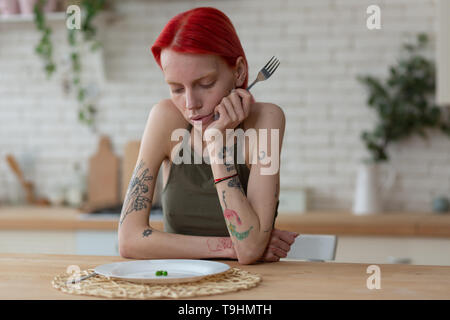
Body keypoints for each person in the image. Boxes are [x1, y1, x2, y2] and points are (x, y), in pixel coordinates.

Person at [118, 7, 298, 264]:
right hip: (177, 283)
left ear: (238, 71)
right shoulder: (165, 118)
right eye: (177, 88)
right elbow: (129, 240)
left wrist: (217, 148)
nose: (191, 104)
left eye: (205, 84)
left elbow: (248, 253)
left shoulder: (266, 121)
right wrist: (231, 246)